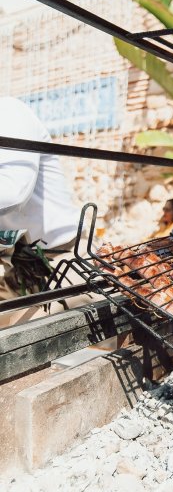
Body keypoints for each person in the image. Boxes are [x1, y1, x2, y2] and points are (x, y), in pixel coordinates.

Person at [0, 97, 84, 325]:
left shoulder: (7, 111)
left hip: (63, 262)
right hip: (13, 267)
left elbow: (12, 192)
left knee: (24, 340)